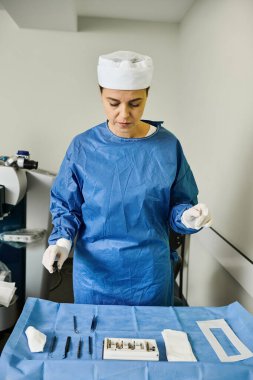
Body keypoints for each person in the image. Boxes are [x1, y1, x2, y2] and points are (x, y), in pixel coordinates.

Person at [42, 50, 212, 306]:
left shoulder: (167, 146)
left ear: (147, 96)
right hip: (95, 276)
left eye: (135, 104)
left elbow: (180, 204)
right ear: (100, 95)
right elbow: (67, 206)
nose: (124, 114)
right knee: (96, 341)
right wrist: (62, 241)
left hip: (149, 276)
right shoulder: (83, 147)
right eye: (113, 103)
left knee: (151, 342)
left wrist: (187, 217)